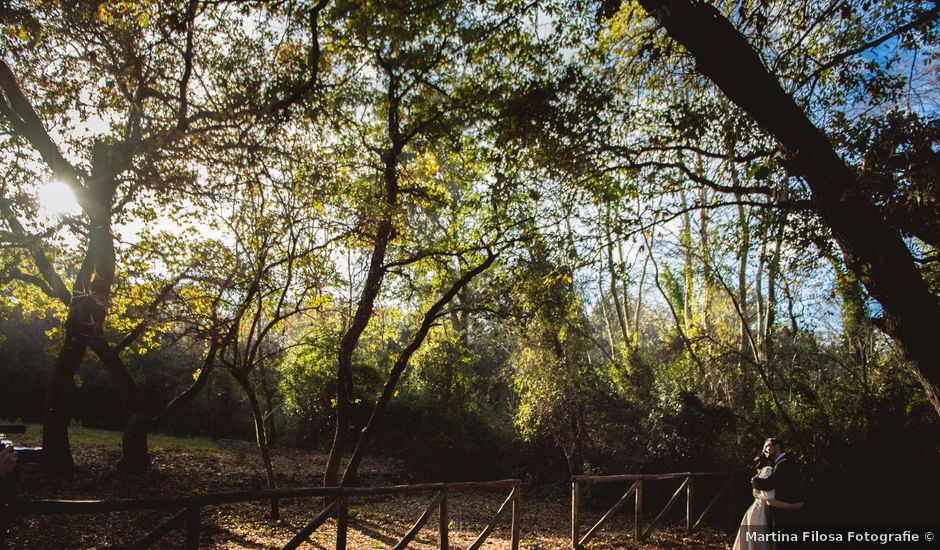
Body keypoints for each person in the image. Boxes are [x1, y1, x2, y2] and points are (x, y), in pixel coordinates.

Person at [747, 437, 803, 549]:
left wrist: (754, 480)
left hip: (787, 510)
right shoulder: (779, 463)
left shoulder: (785, 463)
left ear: (776, 447)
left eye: (766, 446)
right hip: (783, 508)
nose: (764, 450)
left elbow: (769, 484)